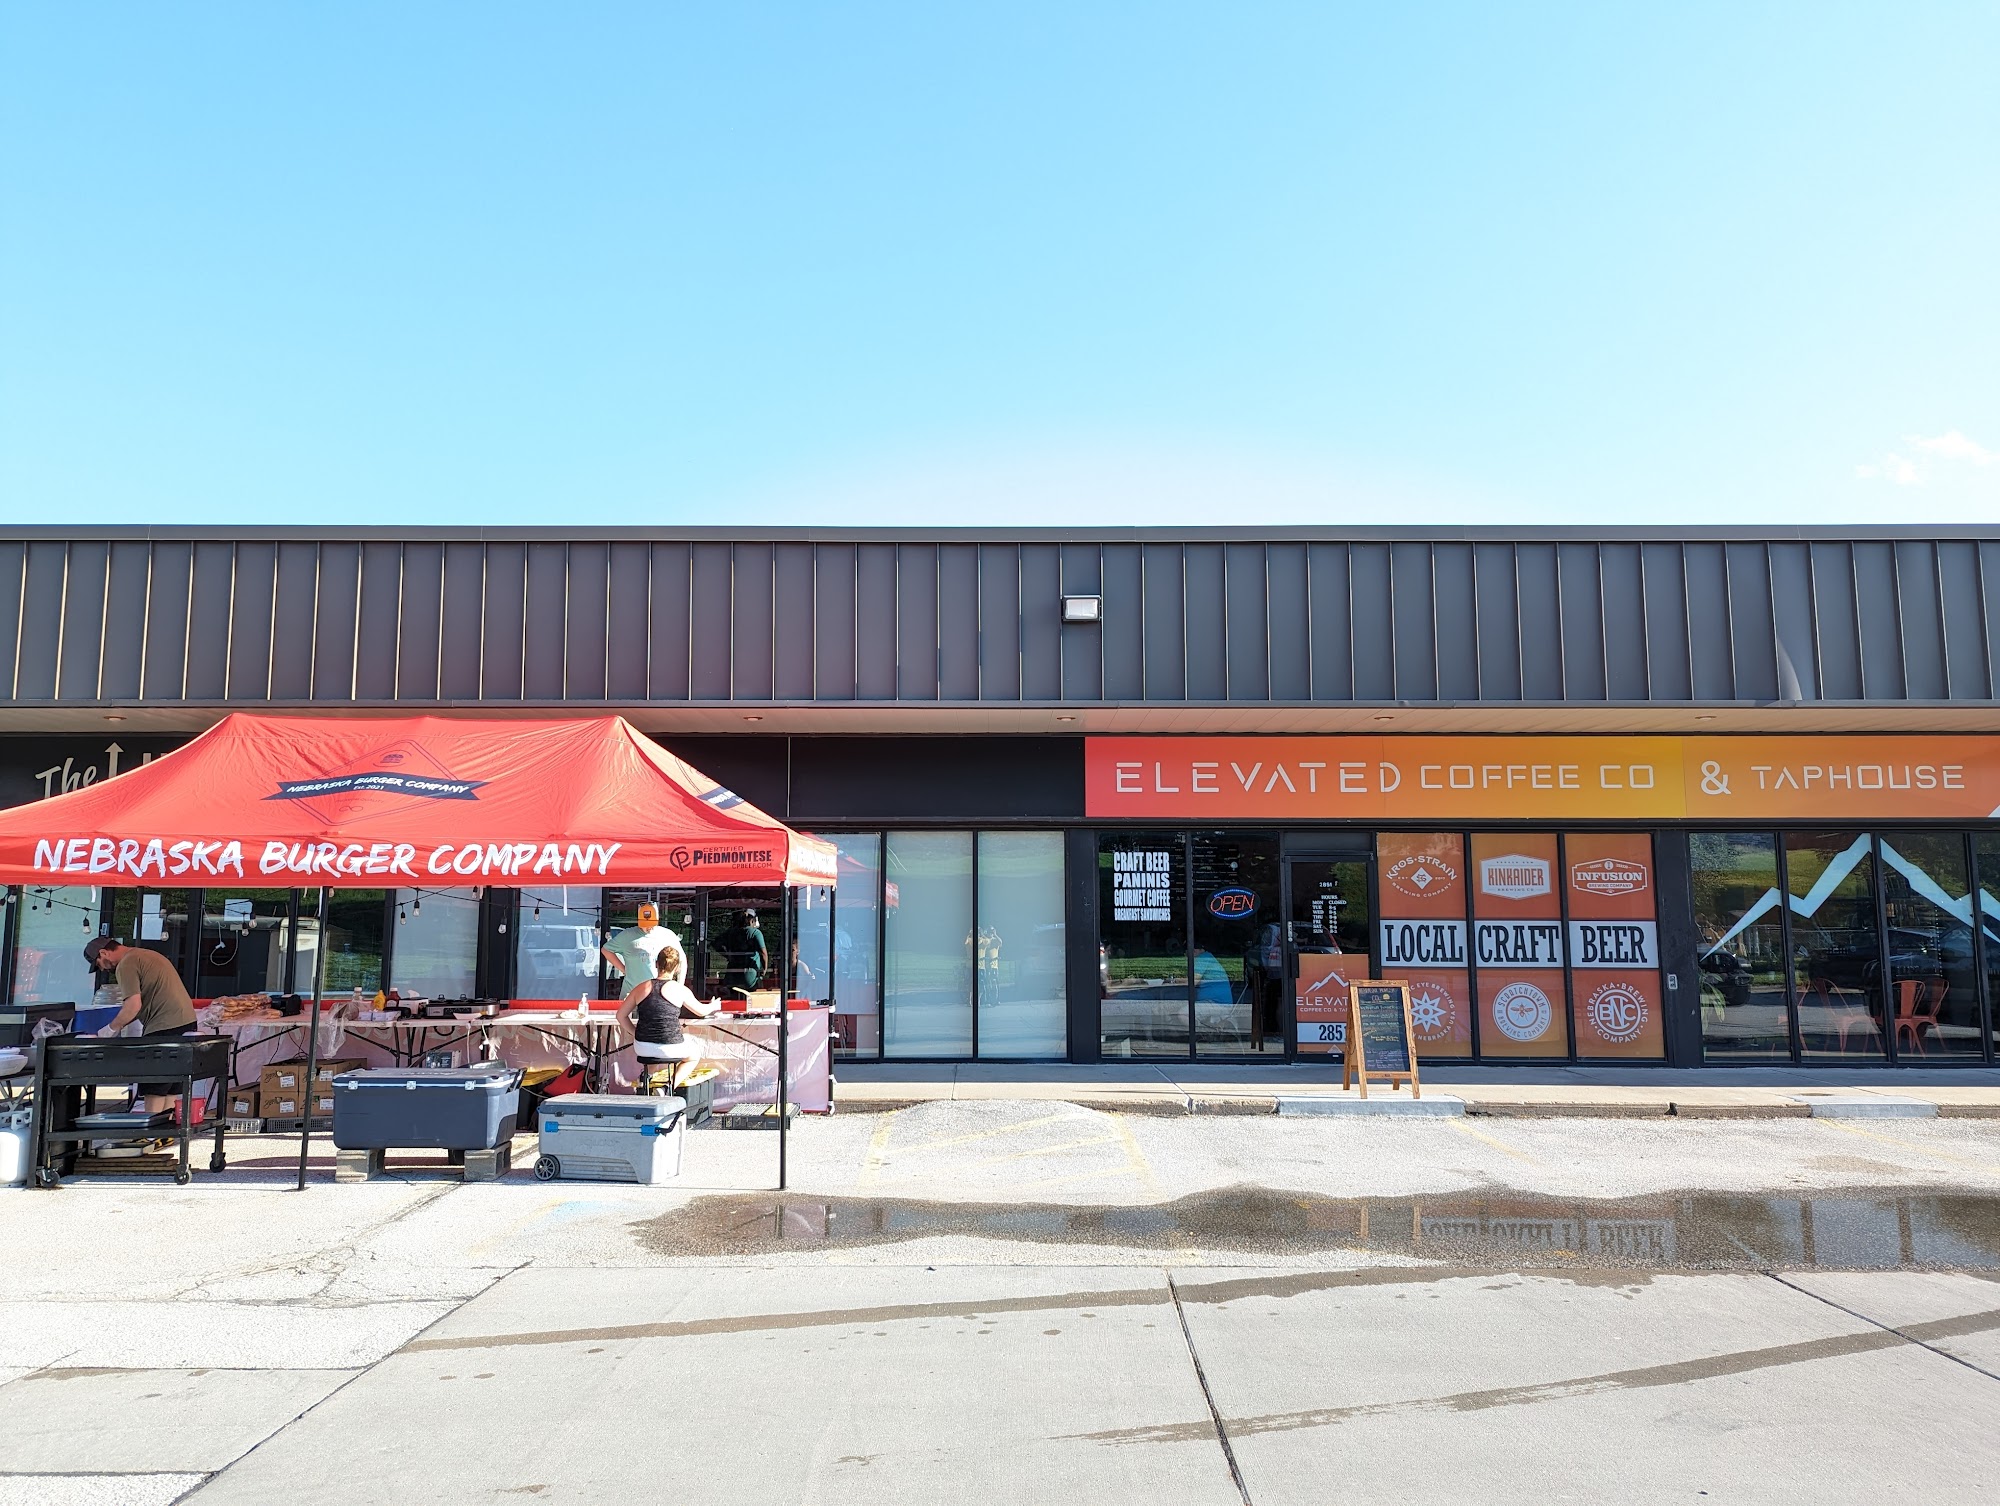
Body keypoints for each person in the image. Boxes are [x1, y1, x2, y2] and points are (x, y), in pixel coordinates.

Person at [82, 936, 195, 1116]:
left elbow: (133, 1006)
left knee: (154, 1086)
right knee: (171, 1084)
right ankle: (166, 1129)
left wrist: (109, 1030)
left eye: (99, 964)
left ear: (103, 953)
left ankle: (151, 1128)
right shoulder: (147, 954)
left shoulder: (126, 964)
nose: (103, 969)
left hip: (164, 1026)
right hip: (187, 1022)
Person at [618, 942, 717, 1091]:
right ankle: (668, 1087)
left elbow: (620, 1016)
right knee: (693, 1056)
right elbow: (701, 1011)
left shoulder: (640, 988)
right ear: (677, 968)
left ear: (656, 964)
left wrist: (634, 1032)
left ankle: (647, 1077)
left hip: (642, 1047)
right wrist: (714, 1005)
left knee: (652, 1054)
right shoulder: (680, 989)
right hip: (671, 1046)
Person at [601, 902, 680, 1001]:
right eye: (645, 924)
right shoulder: (627, 935)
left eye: (651, 924)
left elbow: (681, 960)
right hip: (631, 992)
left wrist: (679, 986)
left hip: (658, 995)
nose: (648, 927)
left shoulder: (667, 935)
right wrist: (623, 969)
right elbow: (606, 950)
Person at [712, 910, 769, 997]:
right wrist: (764, 969)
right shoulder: (755, 933)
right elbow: (763, 953)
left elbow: (715, 943)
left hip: (732, 976)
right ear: (752, 920)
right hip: (749, 977)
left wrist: (727, 955)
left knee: (733, 1000)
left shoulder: (730, 933)